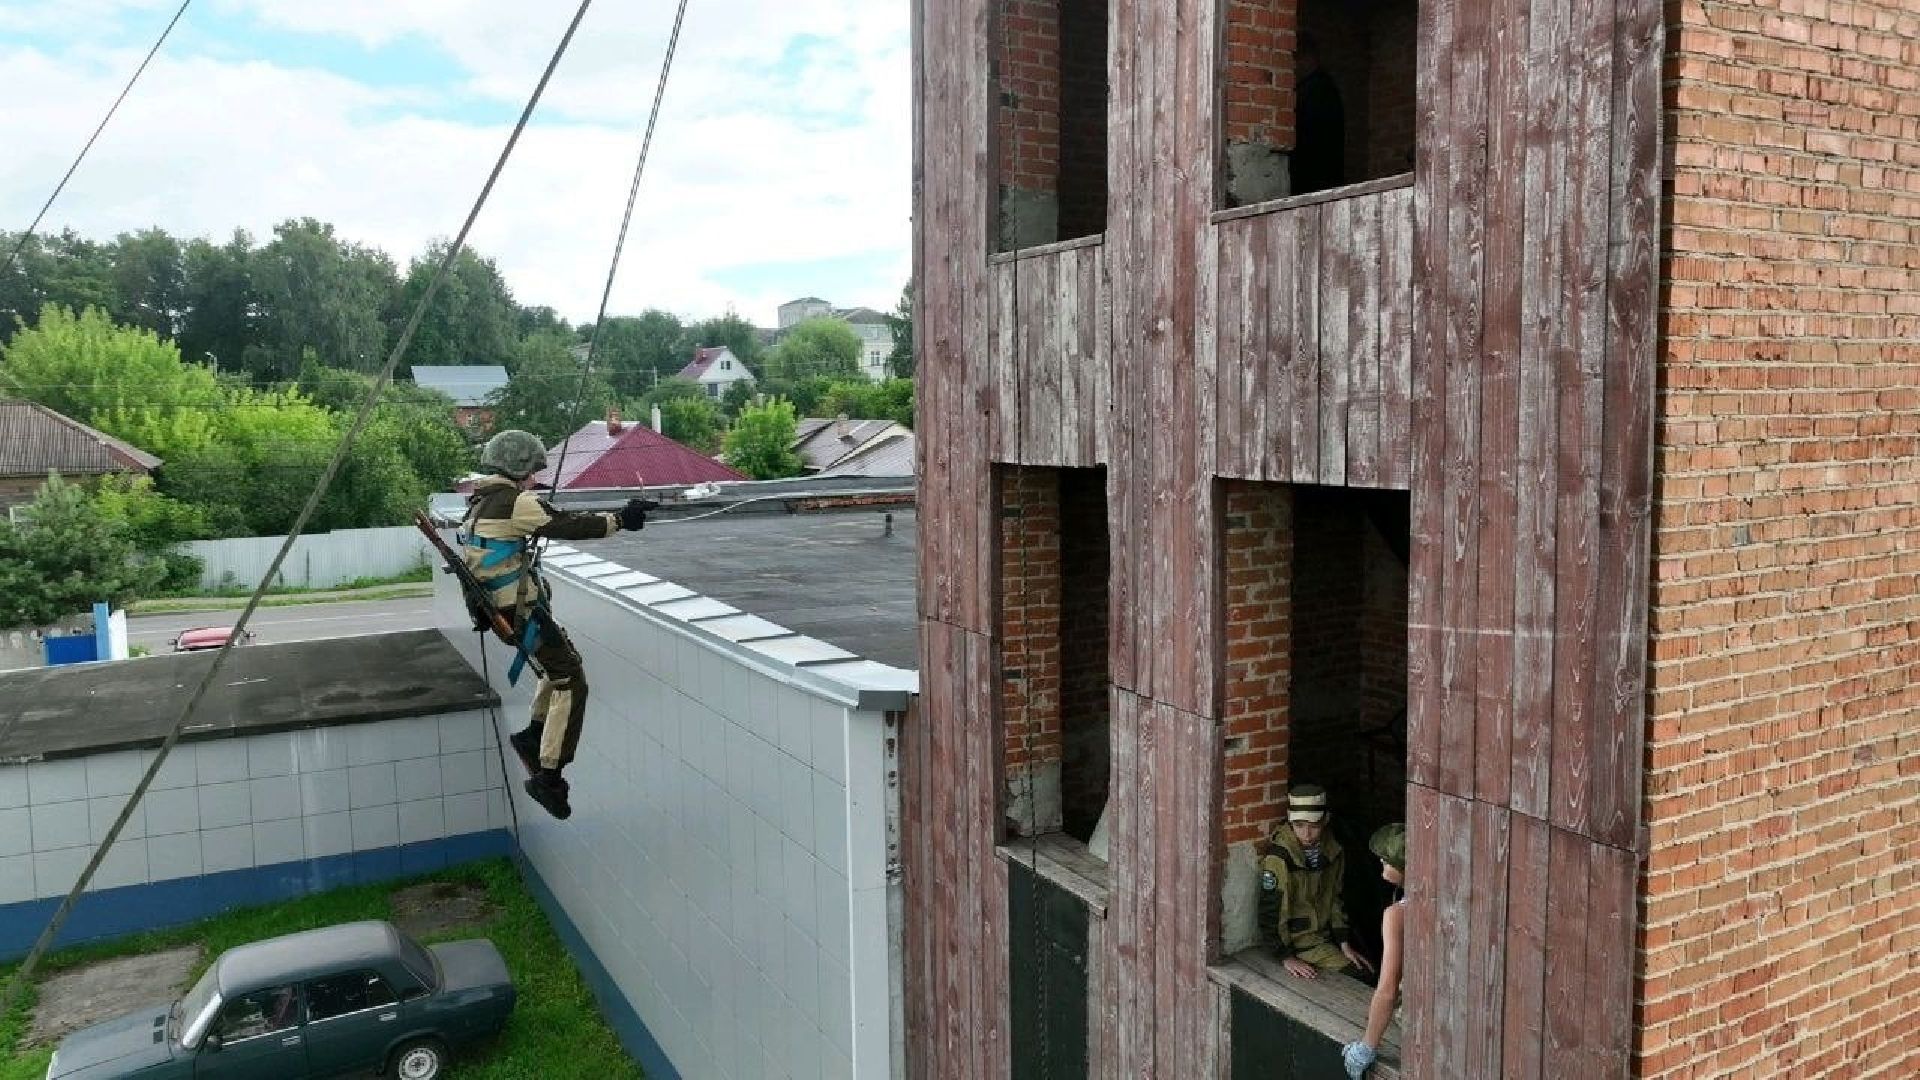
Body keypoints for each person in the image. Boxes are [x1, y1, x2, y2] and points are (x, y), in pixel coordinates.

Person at [462, 429, 652, 820]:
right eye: (530, 471)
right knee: (572, 681)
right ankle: (549, 774)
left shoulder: (480, 502)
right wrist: (622, 520)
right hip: (522, 609)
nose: (534, 479)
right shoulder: (515, 503)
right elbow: (568, 524)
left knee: (560, 665)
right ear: (516, 469)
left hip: (507, 609)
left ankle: (534, 734)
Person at [1259, 784, 1374, 978]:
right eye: (1299, 826)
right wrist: (1285, 956)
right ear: (1290, 820)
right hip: (1299, 943)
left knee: (1368, 969)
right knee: (1360, 977)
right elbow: (1271, 911)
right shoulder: (1279, 858)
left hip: (1325, 937)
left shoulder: (1333, 851)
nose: (1306, 834)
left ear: (1325, 820)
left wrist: (1344, 943)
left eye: (1313, 826)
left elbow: (1336, 898)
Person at [1342, 823, 1407, 1079]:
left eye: (1386, 860)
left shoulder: (1396, 915)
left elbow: (1388, 988)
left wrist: (1367, 1046)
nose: (1381, 863)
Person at [1292, 34, 1346, 195]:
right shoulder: (1323, 88)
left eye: (1297, 60)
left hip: (1311, 178)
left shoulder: (1315, 90)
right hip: (1322, 177)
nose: (1295, 67)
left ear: (1307, 58)